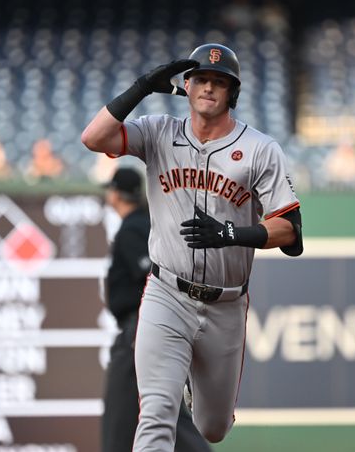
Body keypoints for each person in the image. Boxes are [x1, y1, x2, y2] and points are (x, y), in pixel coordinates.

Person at [81, 43, 303, 450]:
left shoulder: (259, 149)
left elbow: (290, 231)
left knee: (213, 427)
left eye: (220, 82)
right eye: (201, 78)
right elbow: (93, 137)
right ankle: (173, 382)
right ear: (186, 84)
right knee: (155, 414)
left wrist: (231, 234)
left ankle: (193, 388)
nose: (209, 87)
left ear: (231, 93)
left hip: (225, 303)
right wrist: (141, 87)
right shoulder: (159, 131)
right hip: (167, 293)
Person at [100, 167, 210, 452]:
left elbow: (151, 275)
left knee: (123, 417)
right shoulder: (145, 223)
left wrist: (148, 327)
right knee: (162, 412)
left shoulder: (134, 227)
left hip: (142, 326)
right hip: (150, 324)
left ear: (116, 194)